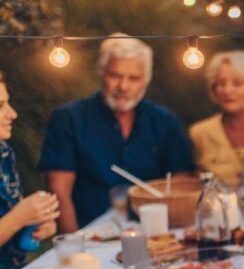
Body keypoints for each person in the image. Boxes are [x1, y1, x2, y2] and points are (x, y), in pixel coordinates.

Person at [39, 33, 194, 232]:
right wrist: (74, 245)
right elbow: (59, 192)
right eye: (115, 75)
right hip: (92, 234)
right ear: (101, 73)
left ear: (146, 81)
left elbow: (181, 185)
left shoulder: (165, 121)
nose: (123, 86)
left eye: (134, 78)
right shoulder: (68, 118)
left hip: (155, 232)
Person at [0, 70, 59, 269]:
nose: (12, 113)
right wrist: (18, 218)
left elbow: (14, 205)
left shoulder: (3, 151)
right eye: (0, 106)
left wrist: (35, 222)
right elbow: (13, 216)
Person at [190, 51, 244, 186]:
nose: (227, 90)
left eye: (237, 84)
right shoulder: (200, 132)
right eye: (220, 83)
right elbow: (196, 185)